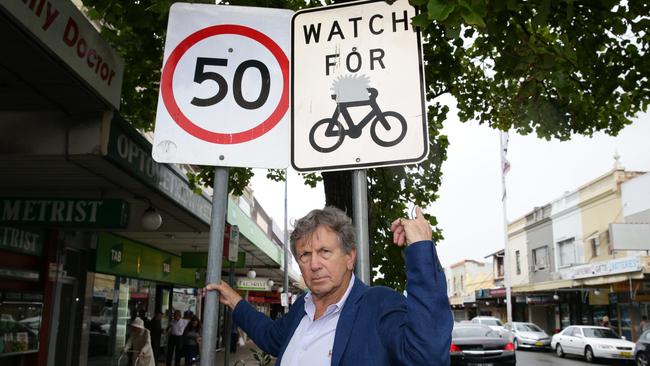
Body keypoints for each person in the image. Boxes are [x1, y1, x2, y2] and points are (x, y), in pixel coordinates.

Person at [206, 206, 452, 365]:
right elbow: (271, 337)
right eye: (305, 255)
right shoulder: (302, 307)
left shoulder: (379, 304)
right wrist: (236, 302)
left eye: (325, 252)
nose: (314, 264)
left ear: (349, 257)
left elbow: (428, 357)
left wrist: (421, 251)